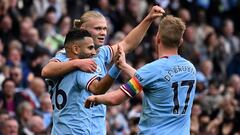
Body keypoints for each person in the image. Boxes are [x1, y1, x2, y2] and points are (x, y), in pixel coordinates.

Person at [85, 15, 197, 135]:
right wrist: (123, 65)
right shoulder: (190, 69)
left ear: (157, 38)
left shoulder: (152, 70)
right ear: (180, 41)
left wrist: (96, 98)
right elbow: (153, 80)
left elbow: (116, 98)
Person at [48, 29, 127, 134]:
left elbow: (45, 71)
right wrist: (117, 67)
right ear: (75, 49)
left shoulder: (58, 65)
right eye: (90, 48)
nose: (94, 52)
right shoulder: (80, 68)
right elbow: (98, 89)